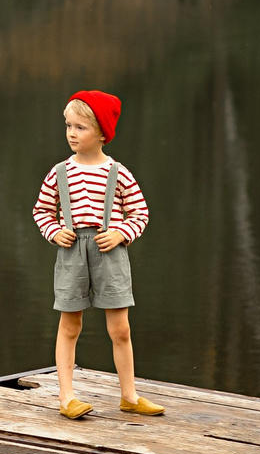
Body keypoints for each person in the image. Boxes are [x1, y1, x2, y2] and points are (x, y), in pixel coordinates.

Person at [31, 89, 162, 420]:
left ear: (102, 133)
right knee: (70, 325)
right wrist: (54, 231)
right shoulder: (59, 172)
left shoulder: (119, 173)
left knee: (121, 329)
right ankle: (66, 398)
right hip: (71, 251)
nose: (71, 133)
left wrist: (121, 233)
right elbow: (42, 211)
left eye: (80, 127)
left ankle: (129, 396)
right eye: (68, 126)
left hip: (110, 251)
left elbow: (140, 213)